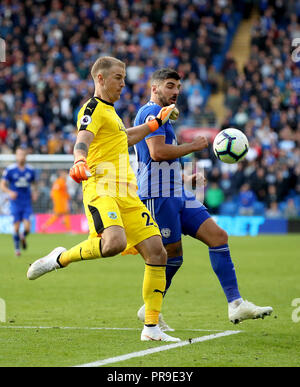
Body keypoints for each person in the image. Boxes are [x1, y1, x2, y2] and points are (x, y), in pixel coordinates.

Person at [27, 56, 180, 342]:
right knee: (114, 244)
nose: (124, 83)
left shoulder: (112, 113)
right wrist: (79, 160)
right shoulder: (93, 108)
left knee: (158, 252)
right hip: (101, 187)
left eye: (123, 77)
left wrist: (156, 122)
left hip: (127, 193)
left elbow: (125, 138)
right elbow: (82, 138)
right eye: (118, 77)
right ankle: (59, 258)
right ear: (100, 78)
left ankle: (151, 328)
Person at [134, 68, 273, 329]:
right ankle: (149, 308)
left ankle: (236, 304)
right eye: (170, 86)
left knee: (218, 237)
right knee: (171, 257)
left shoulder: (166, 118)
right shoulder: (149, 113)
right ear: (155, 88)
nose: (176, 91)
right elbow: (156, 152)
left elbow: (160, 162)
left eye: (178, 87)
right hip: (157, 197)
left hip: (176, 193)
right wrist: (194, 146)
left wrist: (186, 178)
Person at [0, 147, 36, 256]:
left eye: (23, 154)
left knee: (28, 228)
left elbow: (33, 184)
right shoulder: (10, 170)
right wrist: (10, 192)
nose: (21, 156)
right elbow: (2, 185)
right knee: (16, 226)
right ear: (16, 156)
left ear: (26, 156)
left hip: (26, 202)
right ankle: (17, 249)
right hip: (15, 202)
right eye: (19, 154)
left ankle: (23, 236)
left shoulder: (30, 170)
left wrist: (34, 193)